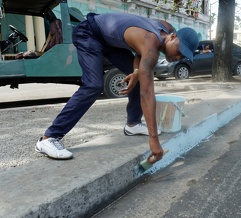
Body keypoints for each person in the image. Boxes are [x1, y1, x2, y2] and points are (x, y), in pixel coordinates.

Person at [35, 12, 199, 164]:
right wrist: (154, 139)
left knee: (139, 77)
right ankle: (48, 138)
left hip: (110, 40)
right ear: (172, 37)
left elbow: (139, 52)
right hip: (89, 33)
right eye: (179, 50)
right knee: (94, 85)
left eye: (183, 56)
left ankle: (133, 124)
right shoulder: (151, 44)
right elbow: (147, 93)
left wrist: (135, 71)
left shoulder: (165, 27)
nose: (178, 57)